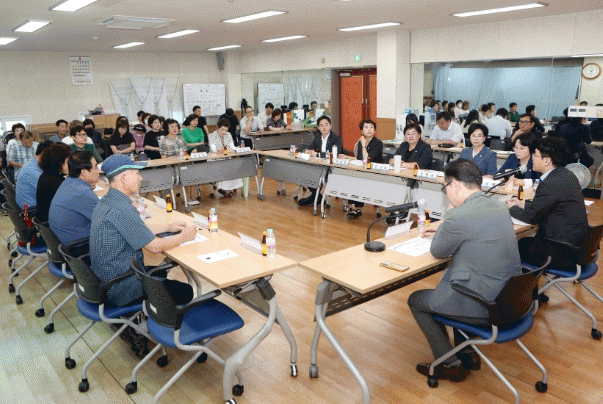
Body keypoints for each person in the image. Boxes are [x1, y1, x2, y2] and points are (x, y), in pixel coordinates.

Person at [409, 159, 521, 382]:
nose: (447, 193)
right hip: (511, 297)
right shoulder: (499, 207)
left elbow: (438, 251)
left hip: (486, 305)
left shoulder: (458, 214)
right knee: (469, 282)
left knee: (416, 300)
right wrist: (447, 230)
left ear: (455, 185)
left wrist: (448, 219)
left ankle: (449, 364)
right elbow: (476, 234)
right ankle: (467, 353)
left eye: (446, 188)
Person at [90, 154, 196, 307]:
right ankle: (153, 317)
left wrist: (168, 227)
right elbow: (155, 247)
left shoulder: (108, 201)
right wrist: (184, 236)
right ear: (124, 178)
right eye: (137, 173)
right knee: (185, 291)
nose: (141, 178)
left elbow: (135, 228)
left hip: (107, 280)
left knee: (159, 272)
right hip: (121, 288)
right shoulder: (122, 209)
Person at [506, 136, 588, 271]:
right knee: (523, 242)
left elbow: (531, 218)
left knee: (511, 249)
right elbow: (548, 207)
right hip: (577, 248)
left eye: (535, 155)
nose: (532, 158)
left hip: (561, 252)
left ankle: (523, 283)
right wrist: (523, 205)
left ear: (547, 161)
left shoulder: (551, 182)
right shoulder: (566, 175)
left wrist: (512, 207)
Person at [49, 151, 100, 245]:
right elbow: (107, 221)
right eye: (96, 167)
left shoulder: (69, 181)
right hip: (78, 245)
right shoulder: (83, 193)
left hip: (62, 239)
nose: (99, 171)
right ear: (84, 172)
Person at [297, 116, 343, 207]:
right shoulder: (318, 137)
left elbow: (334, 154)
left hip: (332, 168)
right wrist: (306, 151)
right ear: (318, 128)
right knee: (305, 173)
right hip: (320, 166)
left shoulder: (336, 138)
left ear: (330, 126)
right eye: (321, 125)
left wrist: (317, 154)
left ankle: (315, 197)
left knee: (314, 174)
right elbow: (309, 147)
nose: (324, 127)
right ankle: (317, 197)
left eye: (326, 124)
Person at [347, 119, 384, 219]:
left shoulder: (378, 143)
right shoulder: (360, 142)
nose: (369, 129)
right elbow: (359, 159)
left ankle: (357, 208)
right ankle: (355, 207)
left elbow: (367, 160)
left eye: (372, 127)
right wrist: (347, 157)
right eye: (366, 127)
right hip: (363, 171)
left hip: (375, 173)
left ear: (375, 130)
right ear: (362, 131)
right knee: (352, 178)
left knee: (359, 180)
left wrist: (363, 145)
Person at [35, 143, 71, 223]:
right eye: (68, 161)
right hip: (53, 223)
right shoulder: (56, 182)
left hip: (45, 219)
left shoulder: (46, 175)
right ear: (60, 163)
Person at [208, 118, 243, 197]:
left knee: (235, 167)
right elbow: (214, 150)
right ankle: (225, 189)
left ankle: (229, 188)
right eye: (222, 130)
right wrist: (221, 150)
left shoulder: (228, 134)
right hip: (215, 160)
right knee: (224, 167)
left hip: (226, 159)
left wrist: (238, 149)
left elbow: (232, 147)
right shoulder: (211, 136)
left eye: (226, 130)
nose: (224, 132)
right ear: (217, 127)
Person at [15, 140, 53, 210]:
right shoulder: (33, 172)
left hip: (29, 205)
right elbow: (52, 193)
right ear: (43, 154)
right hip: (31, 210)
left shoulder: (33, 162)